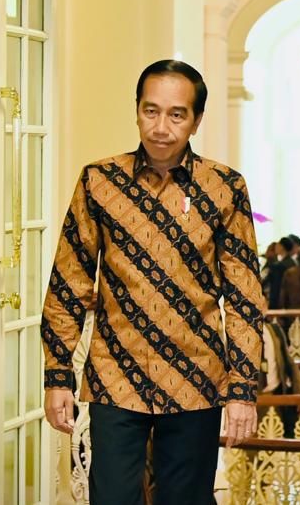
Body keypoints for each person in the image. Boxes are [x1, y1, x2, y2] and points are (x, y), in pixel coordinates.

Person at [41, 59, 265, 505]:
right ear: (137, 110)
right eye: (151, 110)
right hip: (115, 376)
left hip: (196, 379)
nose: (161, 126)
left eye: (176, 114)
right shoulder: (99, 181)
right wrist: (57, 374)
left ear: (196, 120)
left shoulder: (225, 187)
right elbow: (69, 281)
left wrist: (243, 389)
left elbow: (243, 296)